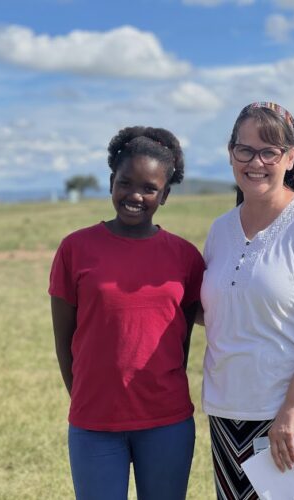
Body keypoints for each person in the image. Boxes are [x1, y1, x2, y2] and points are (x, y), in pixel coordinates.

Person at [200, 102, 294, 499]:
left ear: (290, 157)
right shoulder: (220, 230)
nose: (256, 161)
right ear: (230, 152)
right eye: (245, 150)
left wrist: (292, 409)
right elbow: (221, 309)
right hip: (230, 414)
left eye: (270, 151)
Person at [49, 126, 204, 500]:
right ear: (111, 183)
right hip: (94, 421)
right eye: (125, 182)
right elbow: (65, 342)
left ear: (164, 194)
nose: (135, 195)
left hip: (166, 420)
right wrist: (89, 399)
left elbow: (185, 336)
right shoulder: (75, 249)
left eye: (149, 188)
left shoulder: (184, 257)